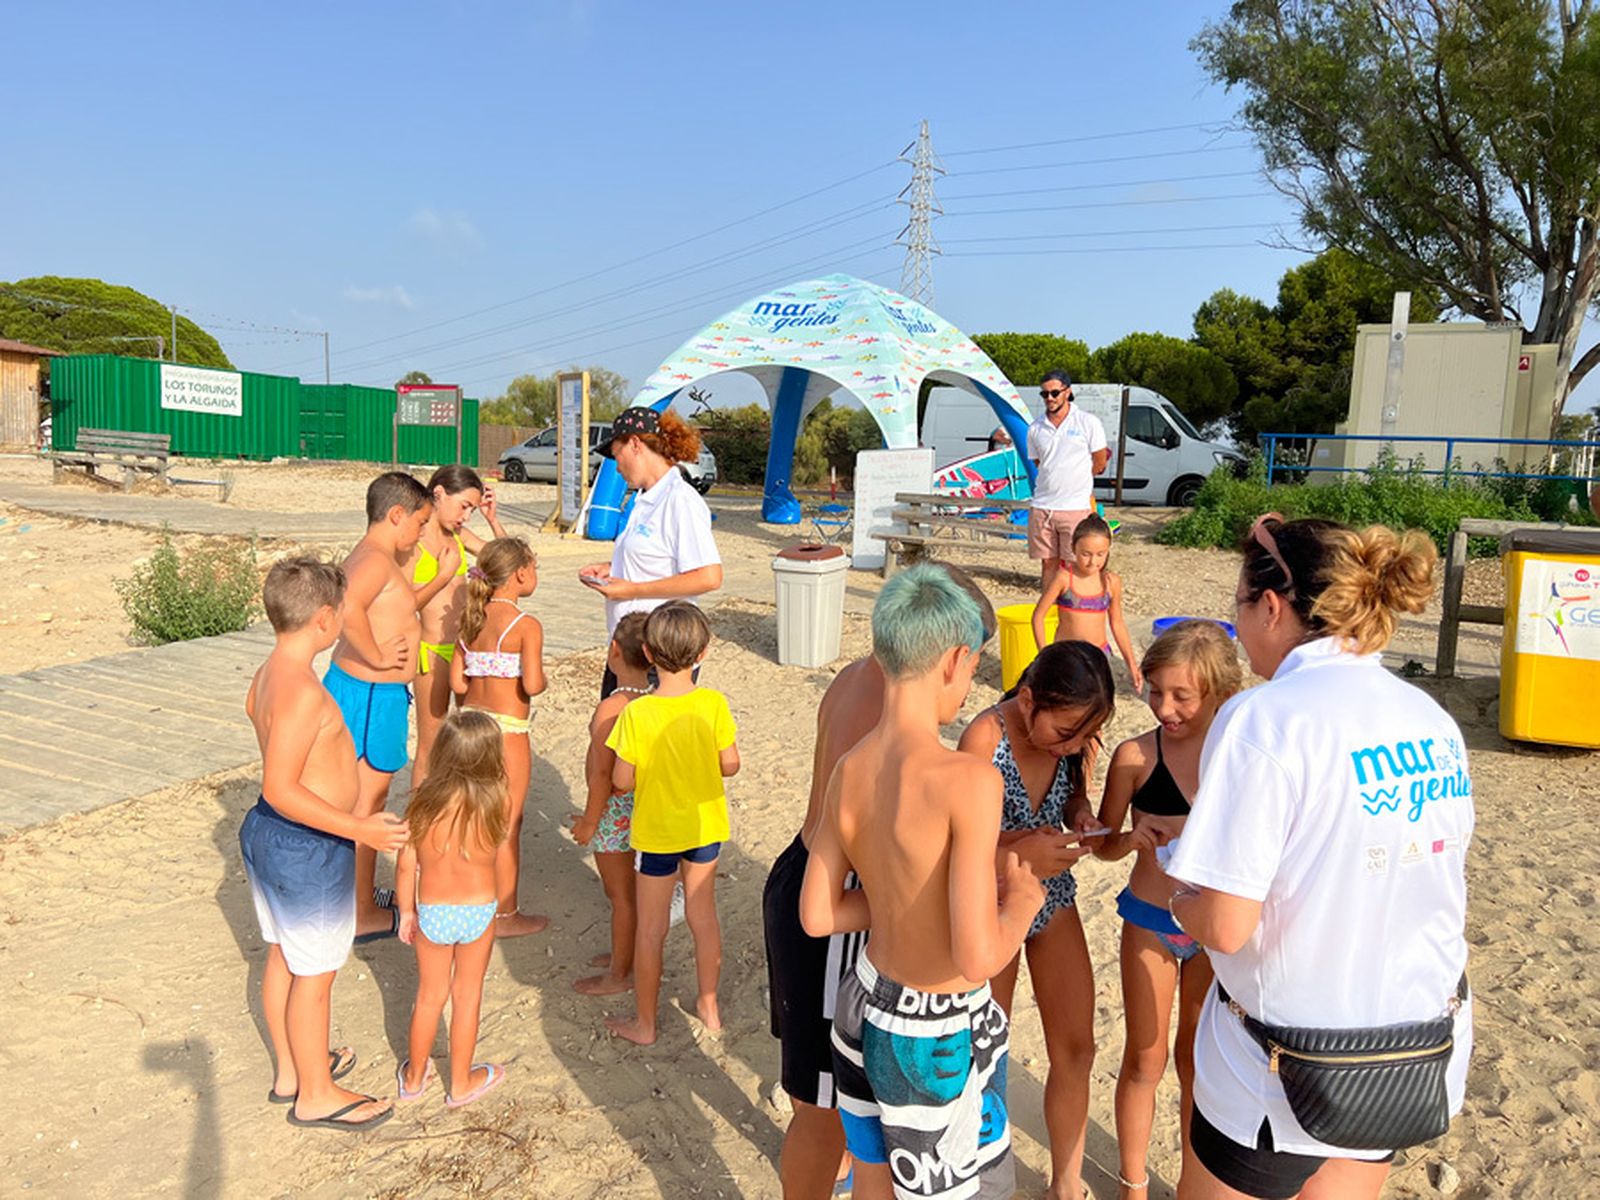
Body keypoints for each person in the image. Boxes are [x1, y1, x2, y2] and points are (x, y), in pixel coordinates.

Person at [1167, 516, 1473, 1200]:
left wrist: (1177, 894)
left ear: (1271, 606)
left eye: (1238, 608)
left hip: (1286, 1064)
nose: (1238, 630)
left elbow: (1223, 925)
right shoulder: (1430, 720)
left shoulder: (1265, 718)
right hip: (1410, 1049)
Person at [799, 564, 1043, 1200]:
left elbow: (818, 914)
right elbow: (977, 953)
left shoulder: (849, 769)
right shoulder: (967, 780)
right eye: (973, 669)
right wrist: (1020, 903)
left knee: (875, 1175)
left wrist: (894, 902)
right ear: (956, 660)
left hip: (863, 1004)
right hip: (937, 1029)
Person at [241, 557, 408, 1131]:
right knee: (315, 974)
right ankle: (316, 1092)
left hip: (274, 837)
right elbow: (280, 786)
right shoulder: (303, 692)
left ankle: (292, 1069)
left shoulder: (268, 673)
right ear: (323, 618)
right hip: (306, 845)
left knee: (285, 953)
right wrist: (361, 827)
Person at [957, 641, 1117, 1200]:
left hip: (1052, 899)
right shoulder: (984, 737)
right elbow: (955, 842)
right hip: (991, 904)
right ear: (1027, 700)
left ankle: (1066, 1184)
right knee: (986, 1050)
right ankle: (981, 1177)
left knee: (1077, 1048)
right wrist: (1025, 846)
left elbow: (1072, 794)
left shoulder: (1077, 740)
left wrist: (1082, 817)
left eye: (1083, 736)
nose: (1072, 744)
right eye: (1064, 733)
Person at [1093, 621, 1242, 1198]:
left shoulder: (1234, 756)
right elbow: (1103, 843)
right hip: (1150, 920)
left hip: (1211, 927)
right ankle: (1133, 1184)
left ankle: (1189, 1184)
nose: (1165, 707)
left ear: (1219, 692)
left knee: (1196, 1063)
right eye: (1156, 691)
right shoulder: (1135, 755)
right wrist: (1129, 840)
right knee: (1144, 1057)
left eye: (1182, 695)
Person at [603, 602, 739, 1046]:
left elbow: (621, 781)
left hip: (657, 833)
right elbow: (730, 764)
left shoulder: (636, 714)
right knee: (703, 916)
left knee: (651, 926)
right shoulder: (713, 704)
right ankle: (709, 1003)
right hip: (704, 828)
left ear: (647, 652)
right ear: (702, 654)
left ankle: (645, 1022)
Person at [326, 471, 430, 941]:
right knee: (369, 804)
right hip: (373, 694)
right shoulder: (372, 561)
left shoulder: (378, 556)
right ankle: (362, 910)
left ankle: (358, 895)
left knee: (362, 799)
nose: (421, 534)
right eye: (419, 523)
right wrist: (377, 655)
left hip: (372, 693)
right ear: (396, 515)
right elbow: (346, 608)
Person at [395, 711, 511, 1108]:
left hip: (433, 911)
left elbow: (407, 863)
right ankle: (460, 1082)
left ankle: (413, 1078)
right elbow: (498, 850)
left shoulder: (421, 803)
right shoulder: (499, 801)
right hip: (478, 910)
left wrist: (406, 912)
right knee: (468, 993)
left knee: (430, 995)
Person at [579, 407, 722, 698]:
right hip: (631, 644)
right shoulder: (644, 499)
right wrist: (613, 567)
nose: (616, 466)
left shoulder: (680, 500)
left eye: (616, 454)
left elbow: (708, 576)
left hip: (660, 651)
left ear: (635, 444)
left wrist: (632, 589)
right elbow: (657, 555)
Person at [449, 536, 548, 938]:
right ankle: (505, 914)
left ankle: (466, 897)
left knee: (471, 816)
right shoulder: (525, 626)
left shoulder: (469, 621)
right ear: (521, 574)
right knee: (508, 825)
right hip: (508, 733)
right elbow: (534, 683)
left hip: (469, 728)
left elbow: (458, 682)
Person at [569, 612, 651, 996]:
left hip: (614, 814)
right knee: (631, 893)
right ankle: (626, 953)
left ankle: (619, 974)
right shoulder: (653, 703)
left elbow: (603, 775)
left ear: (613, 651)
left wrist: (589, 820)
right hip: (644, 811)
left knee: (620, 897)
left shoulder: (612, 708)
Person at [411, 465, 509, 785]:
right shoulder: (414, 539)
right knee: (431, 744)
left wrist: (493, 520)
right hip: (434, 653)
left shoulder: (458, 536)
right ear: (438, 493)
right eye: (464, 506)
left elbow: (509, 561)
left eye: (472, 509)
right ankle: (418, 826)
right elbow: (401, 605)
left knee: (471, 740)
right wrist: (442, 575)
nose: (467, 516)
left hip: (466, 650)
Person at [1033, 514, 1143, 690]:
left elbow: (1117, 624)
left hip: (1099, 655)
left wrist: (1131, 664)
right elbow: (1038, 616)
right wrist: (1044, 655)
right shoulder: (1064, 578)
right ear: (1072, 548)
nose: (1093, 561)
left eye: (1101, 554)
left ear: (1108, 550)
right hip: (1066, 655)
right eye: (1086, 554)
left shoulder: (1111, 582)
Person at [1027, 371, 1109, 588]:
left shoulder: (1087, 422)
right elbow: (1040, 464)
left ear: (1067, 391)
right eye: (1044, 394)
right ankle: (1050, 612)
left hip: (1075, 506)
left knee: (1076, 565)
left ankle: (1076, 616)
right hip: (1043, 506)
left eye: (1055, 392)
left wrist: (1077, 478)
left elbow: (1099, 461)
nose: (1050, 398)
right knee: (1048, 565)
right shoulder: (1035, 428)